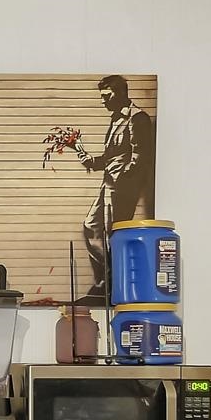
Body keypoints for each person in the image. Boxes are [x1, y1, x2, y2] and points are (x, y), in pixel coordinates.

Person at [79, 74, 156, 297]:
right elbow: (111, 156)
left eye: (107, 95)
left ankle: (114, 287)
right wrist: (90, 160)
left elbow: (140, 157)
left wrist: (122, 181)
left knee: (114, 236)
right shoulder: (115, 118)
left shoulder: (137, 117)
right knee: (90, 226)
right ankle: (105, 278)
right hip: (108, 184)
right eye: (101, 96)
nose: (103, 101)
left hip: (121, 189)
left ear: (121, 93)